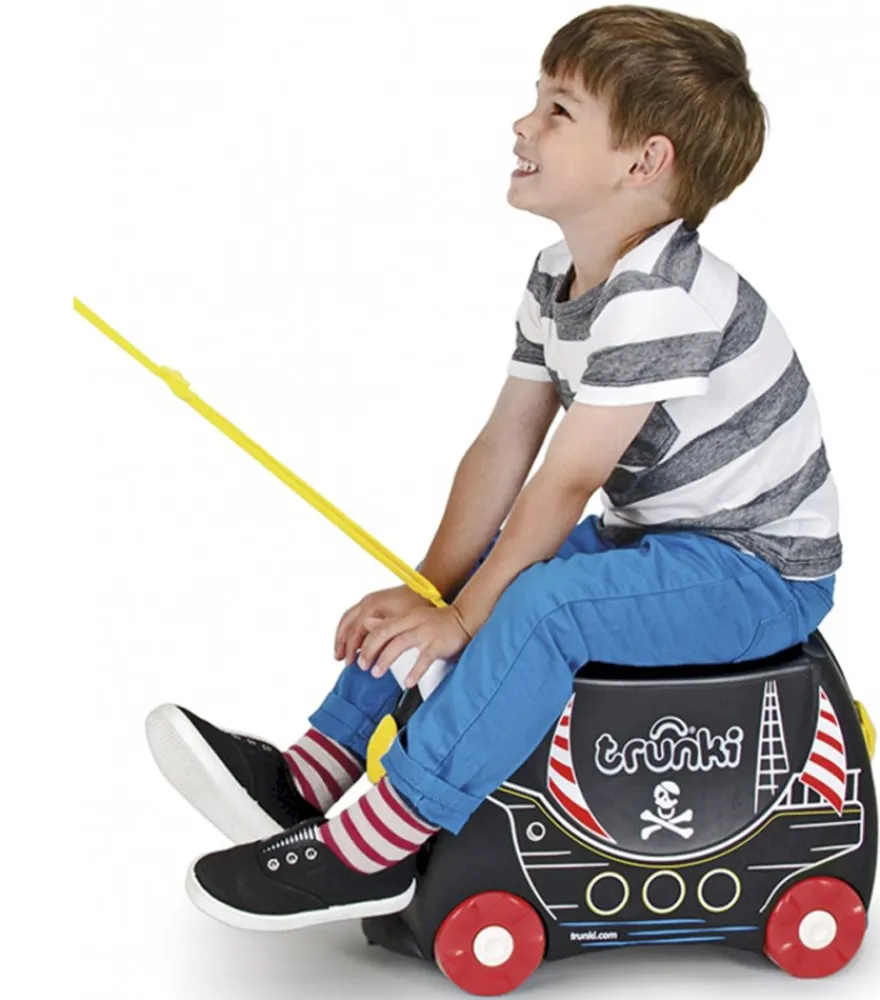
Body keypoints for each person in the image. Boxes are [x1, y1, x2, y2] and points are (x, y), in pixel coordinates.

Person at [147, 4, 843, 932]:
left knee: (541, 606)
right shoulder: (558, 275)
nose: (523, 125)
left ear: (644, 161)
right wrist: (434, 591)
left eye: (559, 111)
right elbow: (505, 445)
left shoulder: (660, 301)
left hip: (758, 571)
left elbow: (565, 481)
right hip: (661, 541)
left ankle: (381, 845)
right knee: (481, 573)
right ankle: (315, 773)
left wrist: (465, 619)